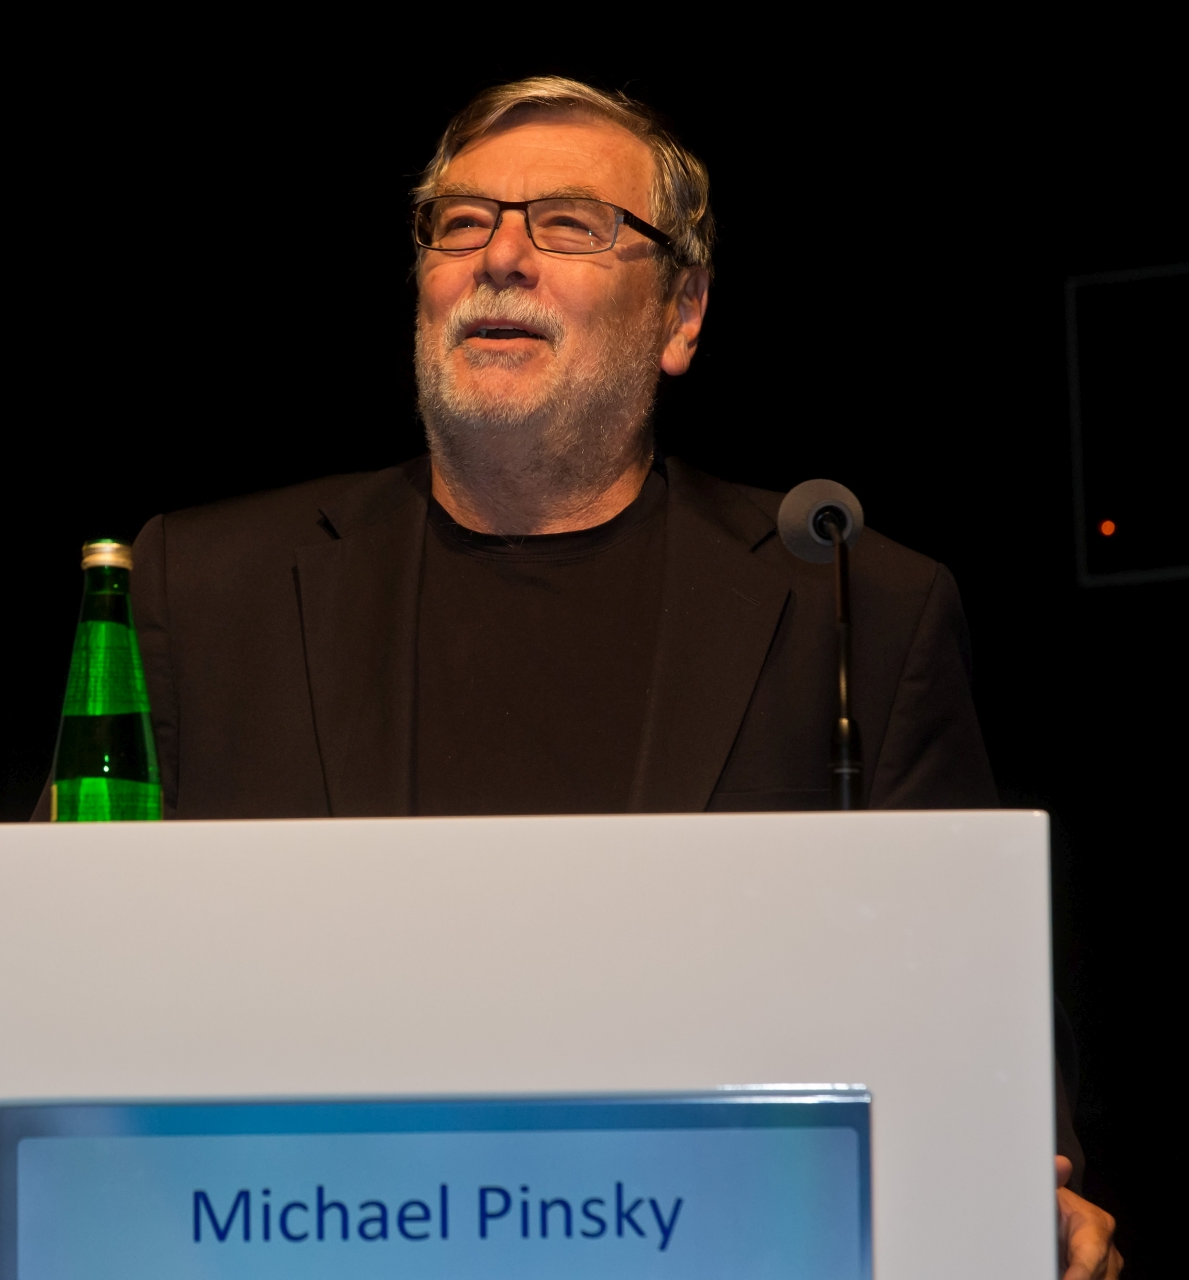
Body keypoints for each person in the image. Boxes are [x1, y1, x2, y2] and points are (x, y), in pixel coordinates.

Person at [68, 76, 1121, 1276]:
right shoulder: (206, 587)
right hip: (304, 1233)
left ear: (683, 313)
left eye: (568, 223)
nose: (501, 256)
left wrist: (1023, 1184)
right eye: (462, 221)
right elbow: (77, 956)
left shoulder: (851, 606)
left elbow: (968, 993)